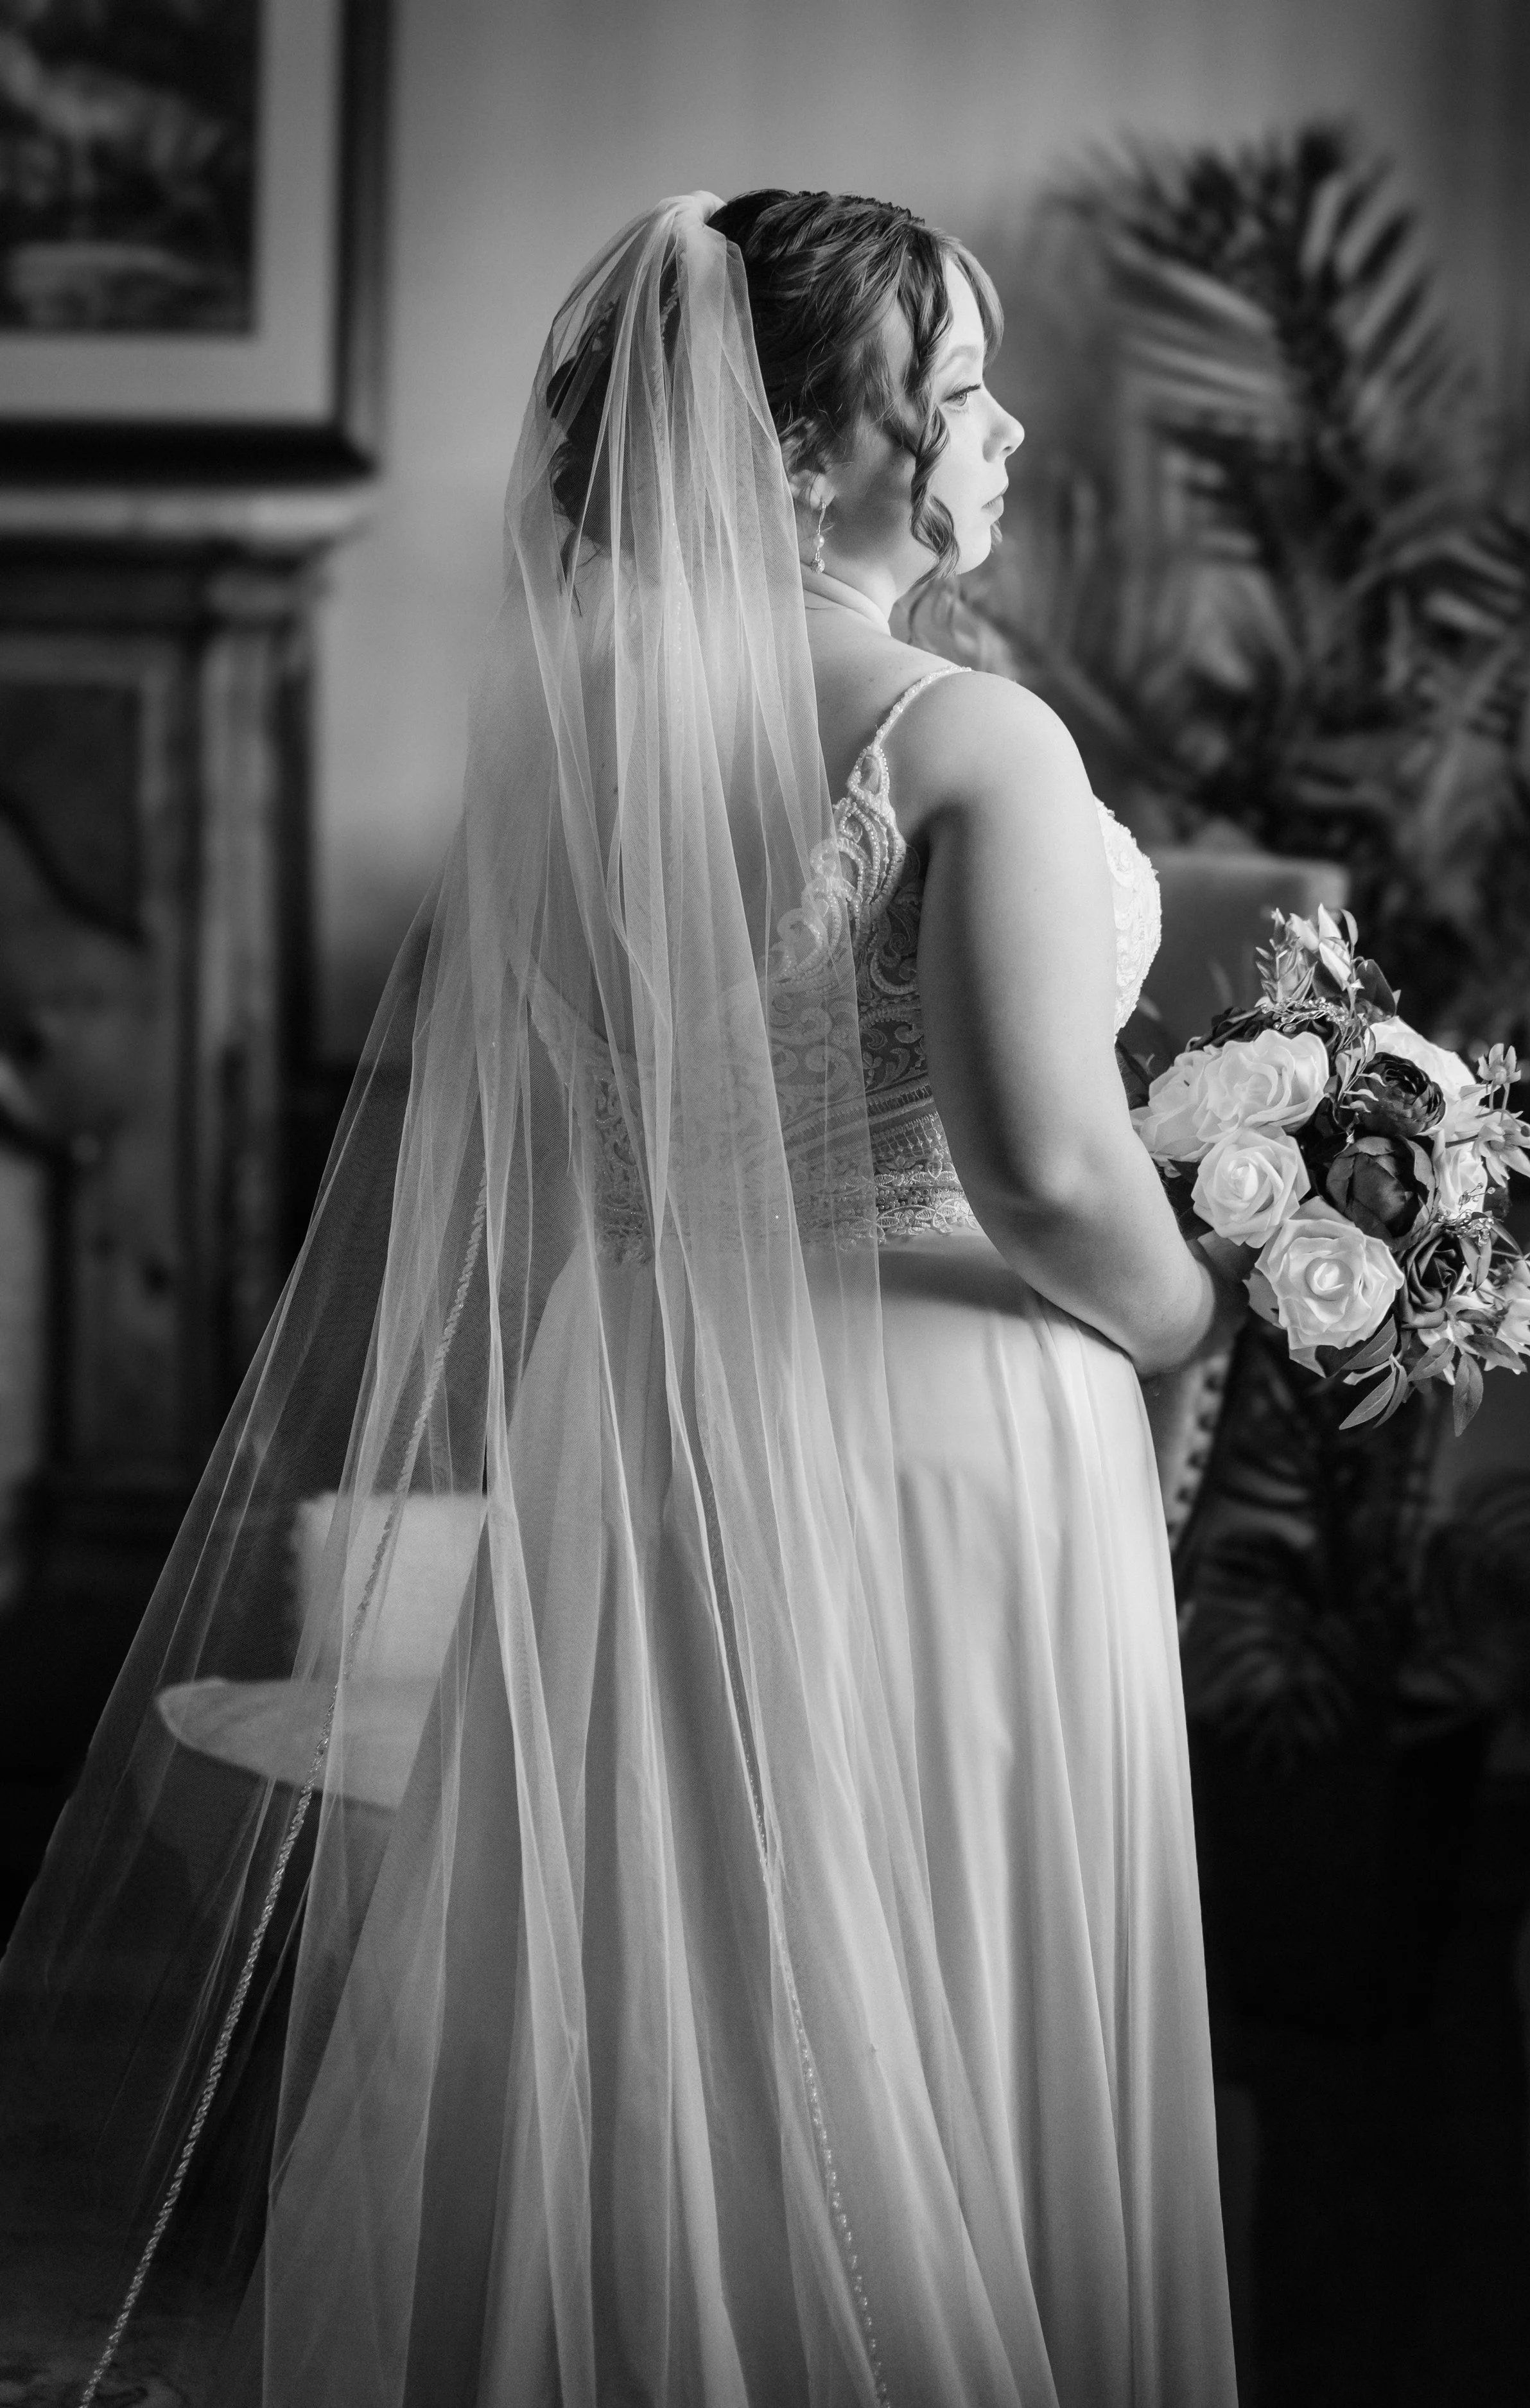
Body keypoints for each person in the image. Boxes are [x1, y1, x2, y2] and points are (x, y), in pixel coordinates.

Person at [0, 191, 1240, 2406]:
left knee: (678, 1947)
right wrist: (1191, 1317)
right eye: (957, 392)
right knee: (921, 1934)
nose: (1003, 433)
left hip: (640, 1380)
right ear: (797, 456)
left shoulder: (565, 731)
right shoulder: (971, 739)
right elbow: (1052, 1174)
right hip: (920, 1427)